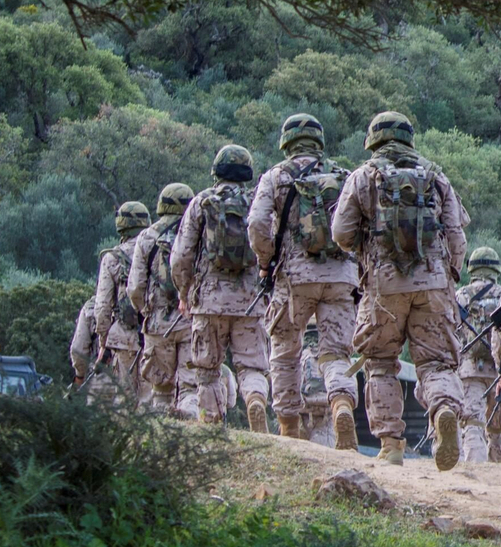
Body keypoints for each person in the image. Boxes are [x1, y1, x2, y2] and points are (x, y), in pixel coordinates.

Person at [331, 111, 469, 468]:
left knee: (379, 363)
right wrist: (448, 274)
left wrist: (367, 248)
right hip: (434, 283)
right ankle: (442, 414)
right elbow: (457, 236)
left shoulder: (363, 176)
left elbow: (341, 233)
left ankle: (391, 444)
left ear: (373, 140)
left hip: (383, 287)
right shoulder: (437, 177)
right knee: (437, 362)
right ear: (409, 138)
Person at [248, 113, 359, 445]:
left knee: (285, 350)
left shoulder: (275, 177)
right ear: (319, 141)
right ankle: (341, 402)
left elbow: (256, 225)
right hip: (341, 277)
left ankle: (288, 427)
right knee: (336, 352)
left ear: (286, 143)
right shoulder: (343, 175)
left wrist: (266, 262)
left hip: (294, 279)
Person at [170, 144, 272, 429]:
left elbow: (181, 256)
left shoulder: (202, 202)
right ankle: (254, 400)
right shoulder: (257, 201)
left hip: (209, 300)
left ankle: (212, 427)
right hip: (250, 301)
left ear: (216, 171)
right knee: (253, 366)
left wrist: (184, 292)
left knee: (207, 370)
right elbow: (269, 242)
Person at [129, 182, 196, 416]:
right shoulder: (195, 230)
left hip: (157, 323)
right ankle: (194, 432)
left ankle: (163, 437)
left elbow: (136, 286)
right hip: (191, 320)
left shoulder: (147, 237)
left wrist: (144, 311)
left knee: (160, 389)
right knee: (191, 386)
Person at [456, 246, 501, 462]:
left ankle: (475, 467)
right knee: (498, 429)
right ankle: (499, 475)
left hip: (471, 368)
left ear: (472, 269)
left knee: (473, 422)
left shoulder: (462, 295)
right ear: (497, 269)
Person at [94, 201, 151, 403]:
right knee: (150, 396)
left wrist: (103, 343)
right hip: (155, 332)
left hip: (124, 337)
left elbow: (102, 308)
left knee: (125, 398)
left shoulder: (112, 258)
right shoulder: (157, 250)